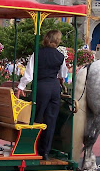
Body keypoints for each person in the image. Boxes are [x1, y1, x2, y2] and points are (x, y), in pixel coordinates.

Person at [17, 29, 68, 159]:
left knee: (37, 117)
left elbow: (29, 74)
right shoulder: (60, 56)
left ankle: (32, 146)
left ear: (46, 38)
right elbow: (63, 75)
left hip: (41, 86)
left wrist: (21, 86)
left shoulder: (38, 53)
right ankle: (45, 151)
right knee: (51, 120)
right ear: (57, 41)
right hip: (54, 88)